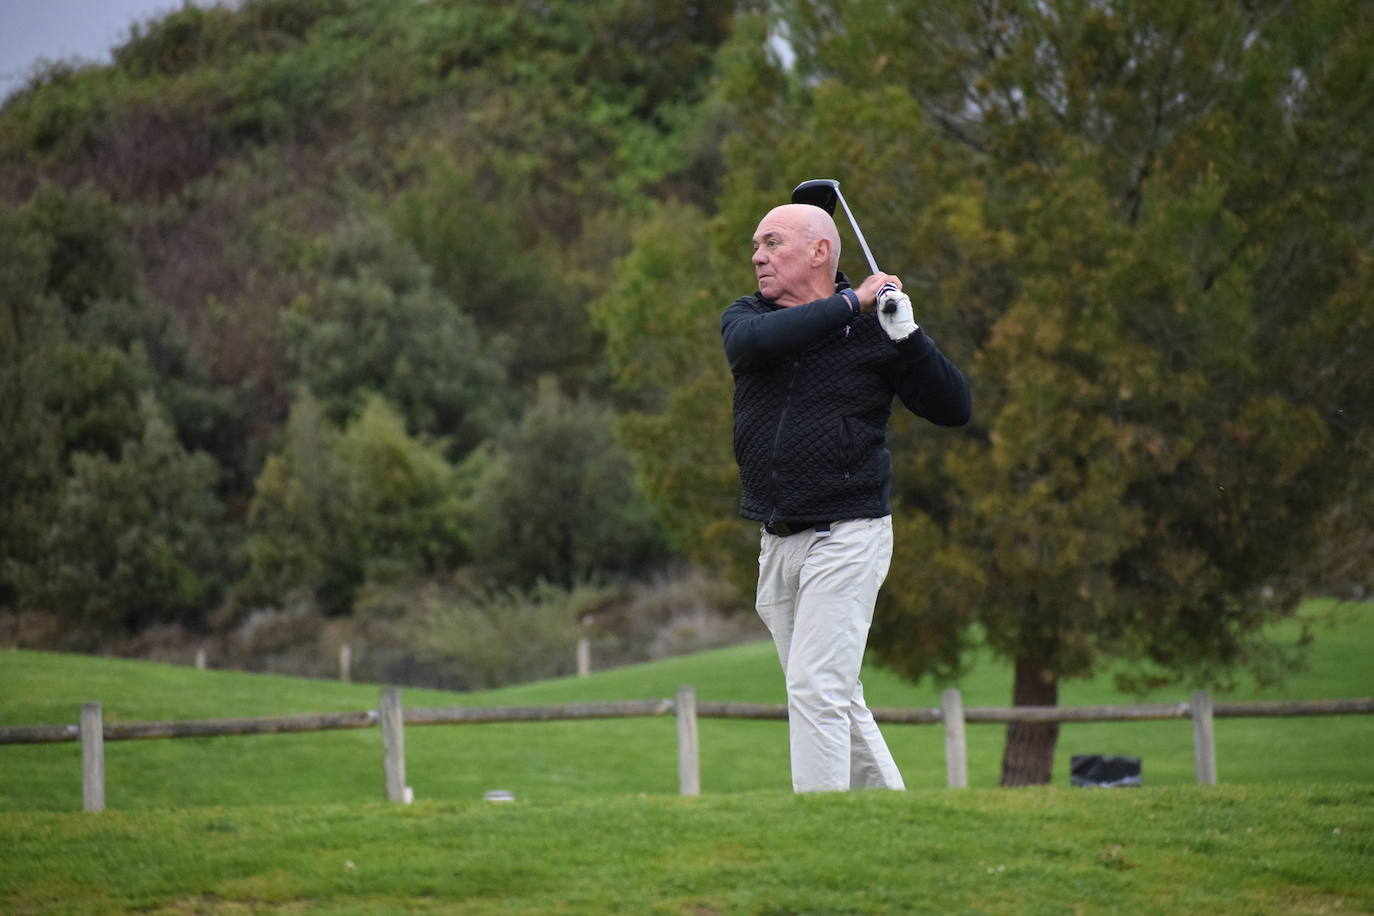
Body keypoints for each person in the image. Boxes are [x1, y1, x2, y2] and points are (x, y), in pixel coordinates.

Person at [720, 202, 971, 792]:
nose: (757, 255)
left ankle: (820, 827)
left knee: (816, 688)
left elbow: (953, 408)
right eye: (756, 245)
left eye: (772, 242)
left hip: (848, 534)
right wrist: (851, 302)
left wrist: (908, 337)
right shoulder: (748, 319)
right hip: (778, 541)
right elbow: (761, 342)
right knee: (831, 692)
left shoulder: (876, 330)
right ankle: (889, 815)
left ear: (819, 251)